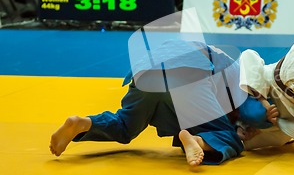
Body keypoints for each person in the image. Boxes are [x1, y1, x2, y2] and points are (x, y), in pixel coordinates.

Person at [49, 38, 252, 166]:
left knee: (125, 125)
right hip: (187, 76)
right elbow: (237, 114)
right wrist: (239, 128)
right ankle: (198, 141)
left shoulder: (220, 56)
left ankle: (84, 123)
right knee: (229, 137)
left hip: (145, 71)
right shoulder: (240, 77)